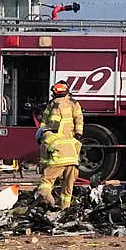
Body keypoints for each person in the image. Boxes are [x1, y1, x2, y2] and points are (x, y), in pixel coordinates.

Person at [36, 81, 84, 210]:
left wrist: (44, 169)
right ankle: (65, 209)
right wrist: (79, 133)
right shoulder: (73, 103)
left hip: (58, 160)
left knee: (45, 184)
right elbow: (79, 118)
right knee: (67, 190)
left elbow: (45, 161)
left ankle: (49, 203)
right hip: (73, 160)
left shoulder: (47, 137)